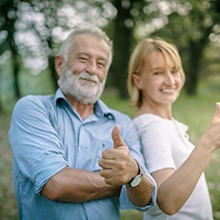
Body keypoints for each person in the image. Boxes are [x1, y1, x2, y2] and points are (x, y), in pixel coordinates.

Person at [9, 25, 156, 220]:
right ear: (60, 64)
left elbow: (145, 198)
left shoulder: (122, 123)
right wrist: (126, 180)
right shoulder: (33, 109)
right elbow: (56, 185)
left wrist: (134, 173)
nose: (93, 70)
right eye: (83, 59)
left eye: (101, 64)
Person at [127, 37, 220, 220]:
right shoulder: (152, 126)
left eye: (175, 71)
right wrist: (209, 142)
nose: (170, 81)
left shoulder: (165, 123)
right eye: (158, 73)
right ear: (138, 81)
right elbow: (167, 201)